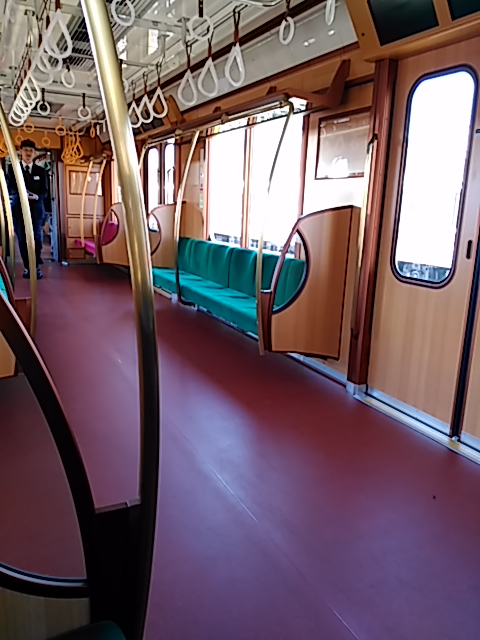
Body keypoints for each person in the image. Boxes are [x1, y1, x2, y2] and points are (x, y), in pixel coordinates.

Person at [7, 139, 48, 279]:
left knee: (36, 238)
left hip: (36, 210)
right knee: (22, 239)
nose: (28, 153)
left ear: (34, 153)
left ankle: (35, 267)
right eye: (26, 150)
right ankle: (27, 267)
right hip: (19, 210)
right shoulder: (13, 169)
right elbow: (10, 188)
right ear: (20, 151)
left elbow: (45, 192)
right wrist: (22, 194)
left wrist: (37, 197)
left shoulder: (41, 171)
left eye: (31, 151)